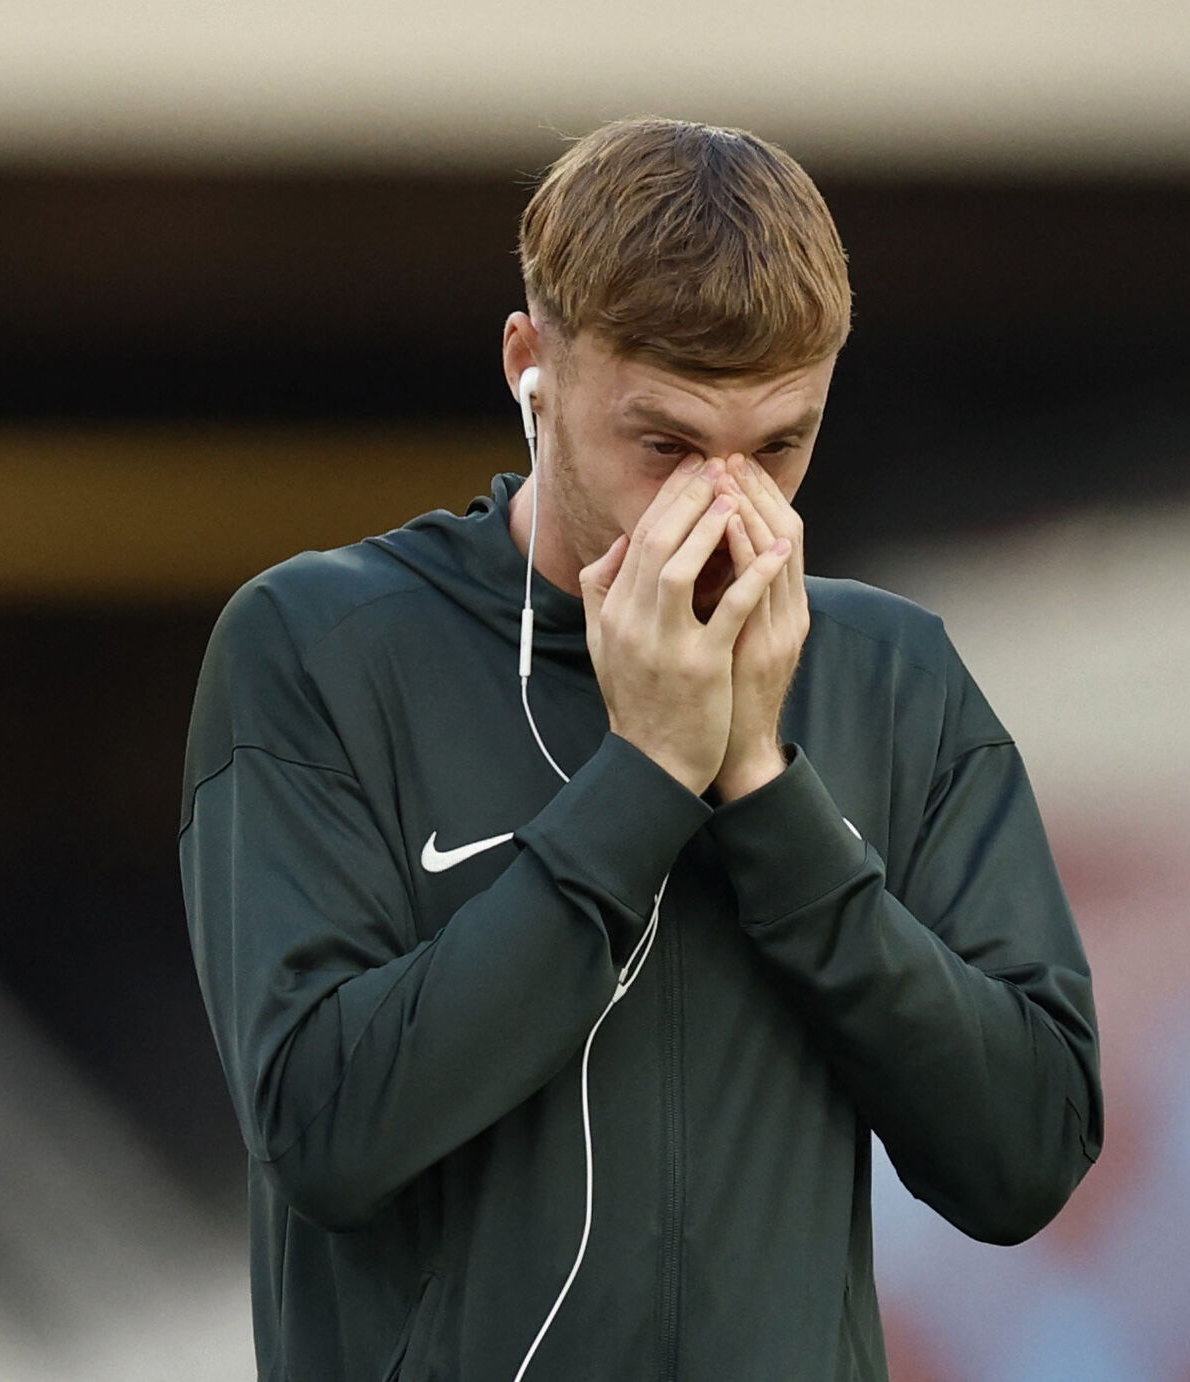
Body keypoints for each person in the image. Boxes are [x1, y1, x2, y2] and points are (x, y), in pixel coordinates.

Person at [179, 116, 1102, 1382]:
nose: (724, 504)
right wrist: (647, 774)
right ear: (532, 368)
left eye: (779, 446)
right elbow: (326, 1131)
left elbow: (1028, 1155)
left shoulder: (896, 674)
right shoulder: (319, 646)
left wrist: (767, 793)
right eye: (664, 443)